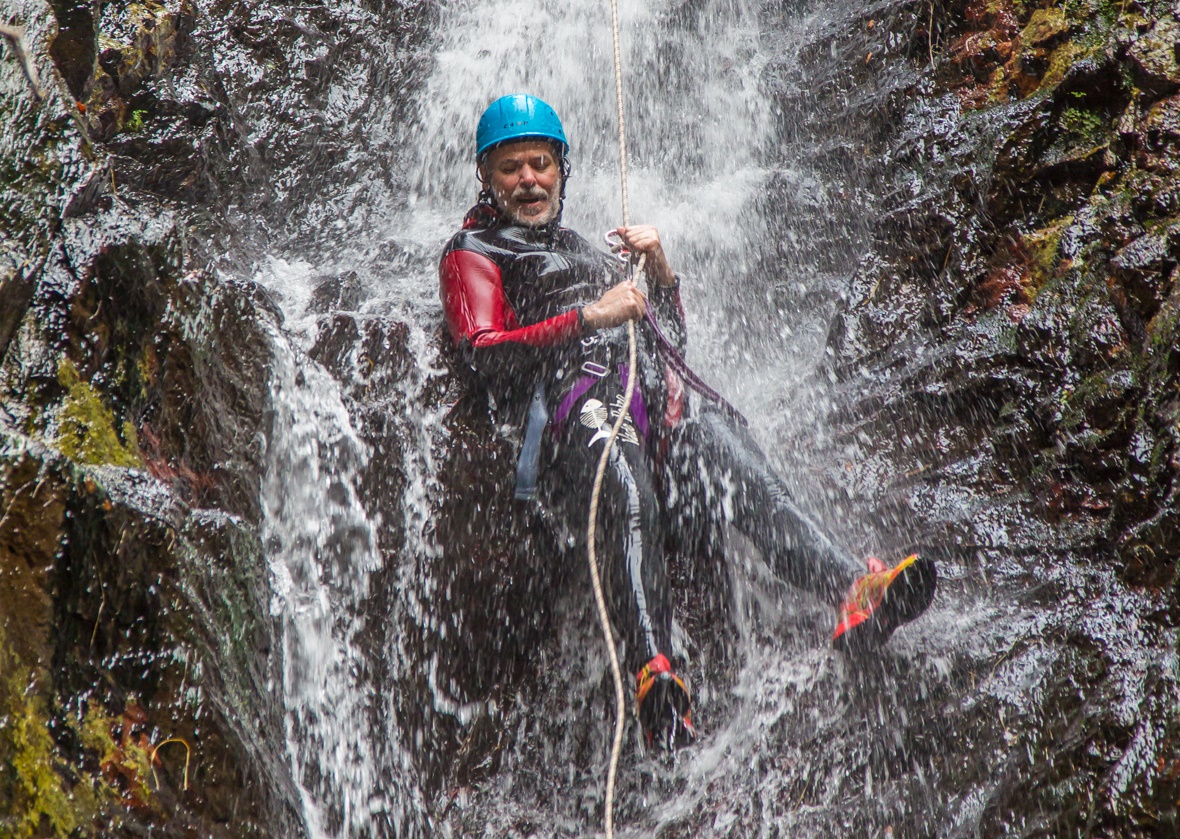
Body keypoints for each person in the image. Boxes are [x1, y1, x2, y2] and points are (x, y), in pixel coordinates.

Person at [438, 93, 936, 748]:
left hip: (647, 418)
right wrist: (589, 317)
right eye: (511, 168)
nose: (528, 179)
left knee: (718, 439)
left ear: (561, 169)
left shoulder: (588, 253)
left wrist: (662, 273)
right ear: (486, 176)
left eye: (539, 163)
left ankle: (851, 585)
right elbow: (480, 352)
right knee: (615, 455)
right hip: (567, 422)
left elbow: (667, 341)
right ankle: (651, 666)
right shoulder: (473, 250)